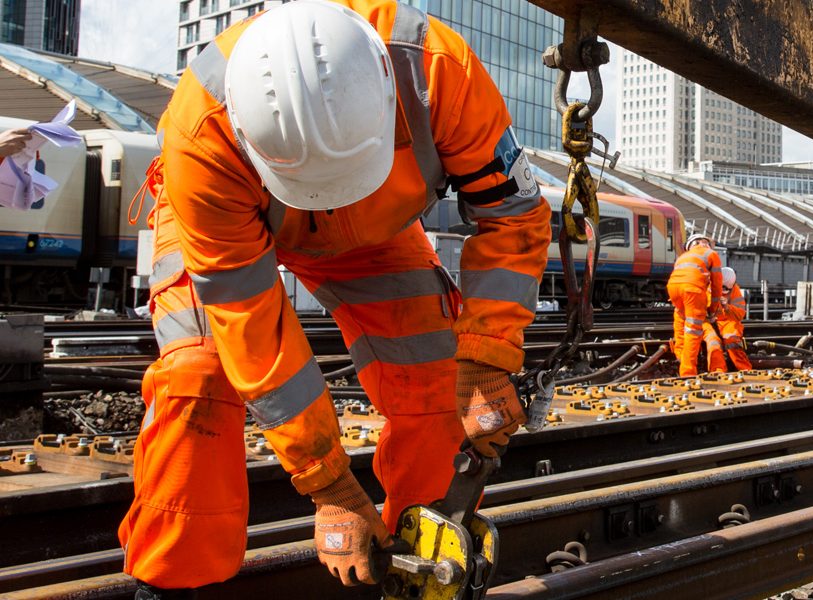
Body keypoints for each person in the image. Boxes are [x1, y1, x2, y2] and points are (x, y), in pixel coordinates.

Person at [119, 2, 551, 597]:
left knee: (436, 382)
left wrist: (487, 356)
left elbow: (514, 216)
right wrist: (329, 484)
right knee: (198, 376)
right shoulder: (203, 136)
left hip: (376, 224)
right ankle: (171, 584)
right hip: (225, 222)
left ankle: (426, 562)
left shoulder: (438, 74)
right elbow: (251, 325)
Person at [668, 233, 724, 376]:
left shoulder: (682, 257)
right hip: (692, 289)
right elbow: (717, 285)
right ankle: (687, 373)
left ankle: (680, 357)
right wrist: (713, 309)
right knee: (693, 330)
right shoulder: (711, 254)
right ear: (705, 243)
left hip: (673, 289)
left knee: (681, 325)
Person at [713, 266, 752, 371]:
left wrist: (727, 307)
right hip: (710, 322)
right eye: (722, 288)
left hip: (728, 322)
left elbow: (740, 314)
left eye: (727, 289)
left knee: (732, 340)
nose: (724, 291)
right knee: (713, 343)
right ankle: (718, 371)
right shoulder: (709, 288)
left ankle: (745, 370)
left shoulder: (735, 290)